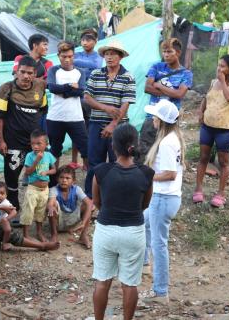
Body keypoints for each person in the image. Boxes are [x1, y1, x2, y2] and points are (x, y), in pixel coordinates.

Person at [91, 123, 154, 320]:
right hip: (133, 232)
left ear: (113, 146)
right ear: (135, 145)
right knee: (130, 284)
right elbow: (144, 204)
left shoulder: (101, 172)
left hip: (105, 231)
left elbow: (97, 202)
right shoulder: (146, 174)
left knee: (102, 282)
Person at [141, 99, 185, 304]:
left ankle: (160, 291)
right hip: (168, 197)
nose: (152, 119)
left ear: (162, 120)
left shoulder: (167, 143)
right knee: (144, 224)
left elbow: (169, 174)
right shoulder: (173, 137)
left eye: (155, 116)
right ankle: (144, 264)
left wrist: (147, 176)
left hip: (163, 197)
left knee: (160, 244)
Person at [0, 55, 48, 212]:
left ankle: (38, 210)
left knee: (41, 176)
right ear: (16, 72)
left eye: (30, 73)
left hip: (35, 144)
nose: (26, 76)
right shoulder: (6, 89)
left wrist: (45, 139)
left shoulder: (40, 86)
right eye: (23, 72)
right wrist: (1, 141)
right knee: (11, 179)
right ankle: (13, 209)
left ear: (35, 74)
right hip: (13, 142)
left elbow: (43, 112)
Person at [84, 40, 136, 198]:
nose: (109, 57)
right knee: (94, 161)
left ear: (120, 57)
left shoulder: (128, 77)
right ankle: (91, 198)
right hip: (95, 123)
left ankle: (116, 196)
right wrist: (106, 108)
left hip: (119, 127)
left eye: (113, 53)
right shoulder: (95, 74)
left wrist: (113, 124)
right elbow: (87, 97)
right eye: (107, 54)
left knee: (118, 160)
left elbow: (125, 104)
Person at [193, 54, 229, 206]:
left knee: (223, 162)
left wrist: (222, 81)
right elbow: (206, 98)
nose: (219, 68)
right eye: (218, 65)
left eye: (223, 66)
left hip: (224, 129)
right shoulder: (214, 82)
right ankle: (198, 188)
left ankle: (221, 193)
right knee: (203, 158)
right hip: (207, 127)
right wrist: (201, 112)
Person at [0, 181, 60, 252]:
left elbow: (13, 211)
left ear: (6, 194)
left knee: (8, 231)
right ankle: (41, 246)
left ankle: (41, 246)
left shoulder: (5, 203)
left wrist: (6, 218)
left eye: (2, 194)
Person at [139, 38, 193, 163]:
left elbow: (180, 94)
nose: (166, 55)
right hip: (152, 117)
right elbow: (147, 88)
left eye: (169, 52)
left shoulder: (186, 73)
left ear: (178, 53)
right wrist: (171, 92)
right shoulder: (157, 66)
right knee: (144, 152)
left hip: (170, 120)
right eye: (164, 52)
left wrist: (159, 86)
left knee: (165, 154)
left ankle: (160, 179)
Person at [46, 41, 88, 176]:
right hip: (55, 117)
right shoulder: (53, 70)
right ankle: (53, 179)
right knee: (55, 150)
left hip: (75, 117)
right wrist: (70, 86)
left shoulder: (80, 72)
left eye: (70, 56)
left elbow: (81, 91)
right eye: (64, 56)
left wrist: (62, 90)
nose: (67, 59)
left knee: (85, 149)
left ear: (74, 56)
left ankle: (90, 179)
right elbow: (51, 87)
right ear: (58, 56)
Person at [72, 28, 104, 169]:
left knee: (90, 129)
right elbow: (71, 62)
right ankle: (74, 160)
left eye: (89, 40)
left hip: (91, 98)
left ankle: (88, 160)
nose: (85, 42)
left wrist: (77, 64)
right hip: (76, 97)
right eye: (83, 39)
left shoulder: (98, 57)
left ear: (95, 41)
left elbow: (96, 66)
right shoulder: (77, 54)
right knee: (75, 128)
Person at [21, 129, 56, 241]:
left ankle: (39, 232)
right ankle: (26, 234)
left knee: (40, 211)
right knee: (28, 210)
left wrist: (47, 172)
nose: (35, 146)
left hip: (44, 189)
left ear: (46, 144)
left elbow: (54, 170)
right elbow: (27, 172)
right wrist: (36, 160)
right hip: (33, 188)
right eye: (32, 144)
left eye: (38, 143)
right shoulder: (29, 156)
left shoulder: (49, 155)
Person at [47, 165, 93, 248]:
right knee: (53, 206)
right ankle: (54, 235)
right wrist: (50, 206)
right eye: (61, 177)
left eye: (68, 178)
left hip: (73, 221)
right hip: (59, 222)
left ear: (73, 181)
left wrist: (83, 222)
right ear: (57, 179)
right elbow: (51, 202)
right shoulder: (54, 189)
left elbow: (89, 203)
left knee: (90, 206)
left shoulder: (76, 189)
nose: (64, 180)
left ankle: (83, 235)